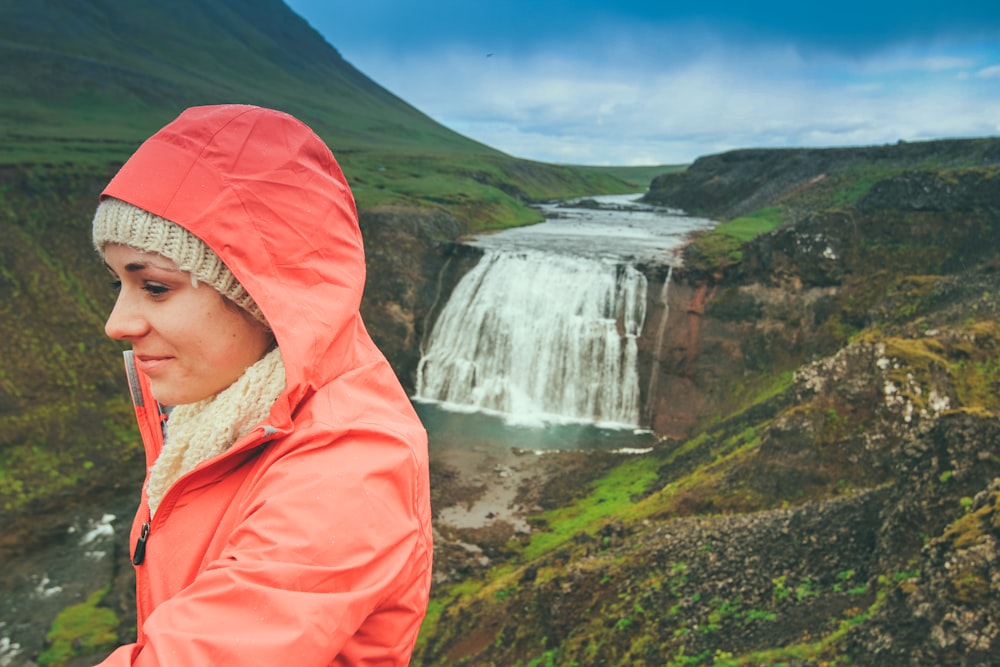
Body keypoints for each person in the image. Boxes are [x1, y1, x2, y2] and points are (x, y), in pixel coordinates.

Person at [90, 104, 433, 665]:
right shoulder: (216, 408)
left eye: (154, 286)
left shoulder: (352, 467)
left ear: (262, 294)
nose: (116, 324)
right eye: (118, 283)